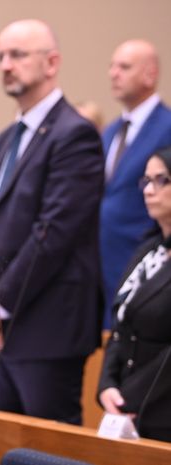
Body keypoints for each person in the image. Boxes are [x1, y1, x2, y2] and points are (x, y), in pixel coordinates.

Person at [0, 19, 104, 424]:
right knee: (0, 440)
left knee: (49, 443)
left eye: (17, 55)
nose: (5, 65)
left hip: (47, 325)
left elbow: (54, 233)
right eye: (1, 56)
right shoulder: (7, 138)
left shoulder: (75, 135)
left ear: (52, 63)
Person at [98, 146, 171, 442]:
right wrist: (106, 386)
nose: (149, 190)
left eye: (162, 180)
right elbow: (121, 323)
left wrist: (133, 398)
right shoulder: (148, 250)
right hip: (128, 408)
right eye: (146, 181)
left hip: (160, 411)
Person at [100, 39, 171, 327]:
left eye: (124, 67)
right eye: (112, 66)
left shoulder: (167, 126)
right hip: (104, 267)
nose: (113, 73)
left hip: (149, 262)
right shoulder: (111, 132)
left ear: (150, 74)